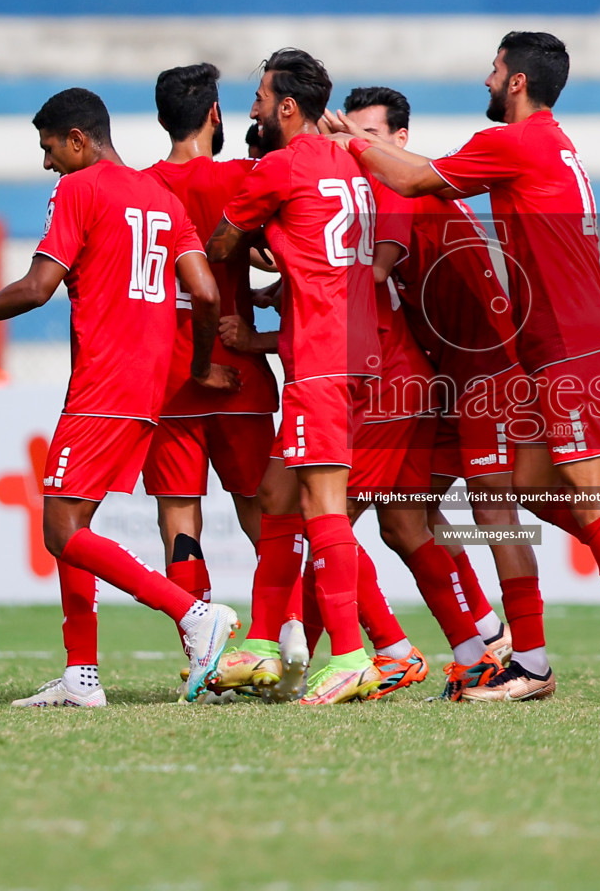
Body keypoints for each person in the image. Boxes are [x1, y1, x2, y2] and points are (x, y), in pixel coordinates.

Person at [324, 32, 600, 702]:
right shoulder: (549, 141)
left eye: (494, 70)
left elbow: (407, 176)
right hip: (546, 344)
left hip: (564, 344)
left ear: (517, 81)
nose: (487, 79)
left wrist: (342, 140)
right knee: (521, 491)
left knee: (563, 497)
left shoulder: (510, 142)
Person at [0, 87, 239, 707]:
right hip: (147, 387)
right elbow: (207, 292)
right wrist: (196, 366)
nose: (47, 164)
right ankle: (81, 675)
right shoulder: (161, 197)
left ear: (78, 139)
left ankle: (194, 616)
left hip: (103, 382)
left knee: (60, 530)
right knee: (75, 520)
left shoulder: (80, 189)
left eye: (49, 148)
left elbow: (38, 288)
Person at [206, 48, 385, 706]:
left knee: (322, 506)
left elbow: (221, 244)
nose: (252, 108)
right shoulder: (348, 160)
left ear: (286, 106)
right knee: (278, 496)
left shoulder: (280, 167)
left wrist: (254, 239)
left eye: (259, 97)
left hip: (320, 353)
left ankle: (350, 652)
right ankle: (258, 642)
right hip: (356, 348)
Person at [336, 85, 522, 699]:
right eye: (350, 135)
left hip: (479, 376)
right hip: (443, 378)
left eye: (367, 137)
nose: (356, 148)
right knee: (405, 522)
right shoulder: (400, 190)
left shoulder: (399, 189)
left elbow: (370, 275)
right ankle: (483, 643)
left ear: (400, 140)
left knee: (330, 517)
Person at [139, 63, 289, 698]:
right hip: (241, 374)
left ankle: (202, 647)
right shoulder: (243, 176)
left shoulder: (138, 186)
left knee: (179, 517)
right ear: (215, 116)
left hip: (168, 377)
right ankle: (283, 644)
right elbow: (288, 254)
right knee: (267, 515)